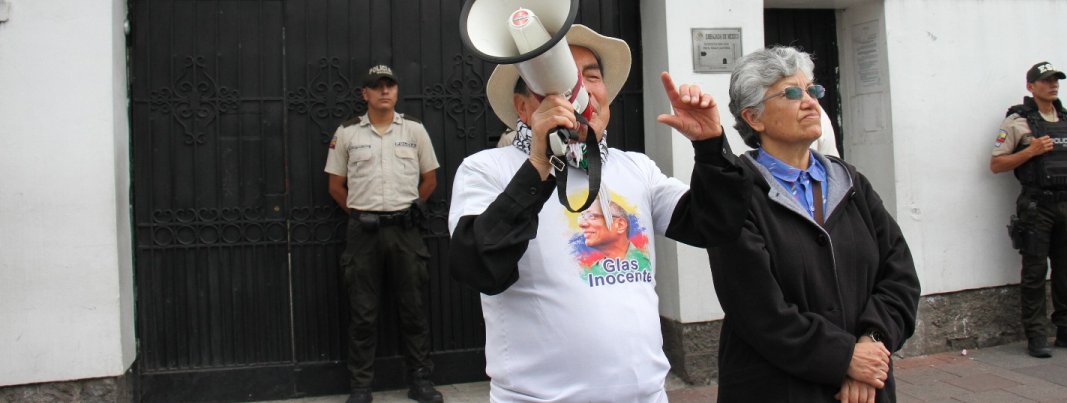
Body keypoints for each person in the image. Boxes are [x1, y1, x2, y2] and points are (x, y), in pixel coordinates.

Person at [448, 24, 750, 403]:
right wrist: (540, 162)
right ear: (523, 108)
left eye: (591, 77)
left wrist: (710, 147)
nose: (580, 91)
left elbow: (714, 225)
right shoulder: (487, 169)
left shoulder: (636, 168)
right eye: (558, 80)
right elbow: (479, 267)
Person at [707, 46, 920, 403]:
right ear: (754, 118)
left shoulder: (851, 183)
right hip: (777, 389)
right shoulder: (735, 192)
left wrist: (872, 343)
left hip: (866, 390)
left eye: (812, 90)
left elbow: (899, 274)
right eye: (792, 93)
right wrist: (845, 359)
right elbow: (758, 309)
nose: (810, 102)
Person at [325, 64, 444, 403]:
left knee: (414, 308)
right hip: (363, 234)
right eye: (376, 87)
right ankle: (361, 386)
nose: (384, 92)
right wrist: (362, 214)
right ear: (365, 94)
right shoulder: (348, 133)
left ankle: (421, 381)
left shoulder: (414, 131)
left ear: (396, 90)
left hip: (406, 231)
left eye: (389, 85)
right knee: (362, 313)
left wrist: (416, 206)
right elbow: (335, 186)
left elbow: (430, 178)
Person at [990, 62, 1067, 358]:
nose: (1053, 85)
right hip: (1037, 206)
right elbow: (996, 164)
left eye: (1055, 80)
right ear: (1031, 87)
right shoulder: (1018, 122)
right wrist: (1030, 151)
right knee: (1035, 271)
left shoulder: (1065, 118)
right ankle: (1036, 335)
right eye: (1046, 80)